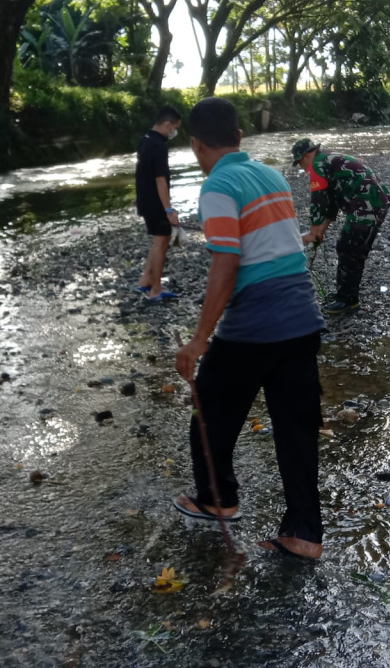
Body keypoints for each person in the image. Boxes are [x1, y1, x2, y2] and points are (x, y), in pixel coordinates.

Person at [174, 97, 327, 561]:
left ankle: (218, 499)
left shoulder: (217, 187)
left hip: (255, 325)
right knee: (296, 430)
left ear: (196, 145)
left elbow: (227, 260)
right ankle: (304, 534)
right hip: (302, 317)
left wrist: (200, 340)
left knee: (211, 412)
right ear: (240, 137)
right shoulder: (272, 175)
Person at [291, 137, 390, 314]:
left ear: (307, 155)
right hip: (375, 203)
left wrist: (312, 233)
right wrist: (319, 232)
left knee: (348, 249)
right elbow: (332, 204)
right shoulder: (328, 158)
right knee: (355, 251)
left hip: (366, 205)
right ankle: (347, 295)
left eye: (300, 163)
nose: (302, 168)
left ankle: (346, 300)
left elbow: (318, 202)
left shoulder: (317, 164)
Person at [134, 104, 182, 301]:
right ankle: (156, 289)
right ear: (169, 124)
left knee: (157, 241)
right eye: (176, 127)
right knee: (161, 242)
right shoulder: (159, 146)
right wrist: (169, 209)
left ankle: (145, 280)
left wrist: (139, 196)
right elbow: (160, 180)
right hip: (155, 202)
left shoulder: (145, 139)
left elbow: (141, 171)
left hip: (146, 199)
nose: (175, 131)